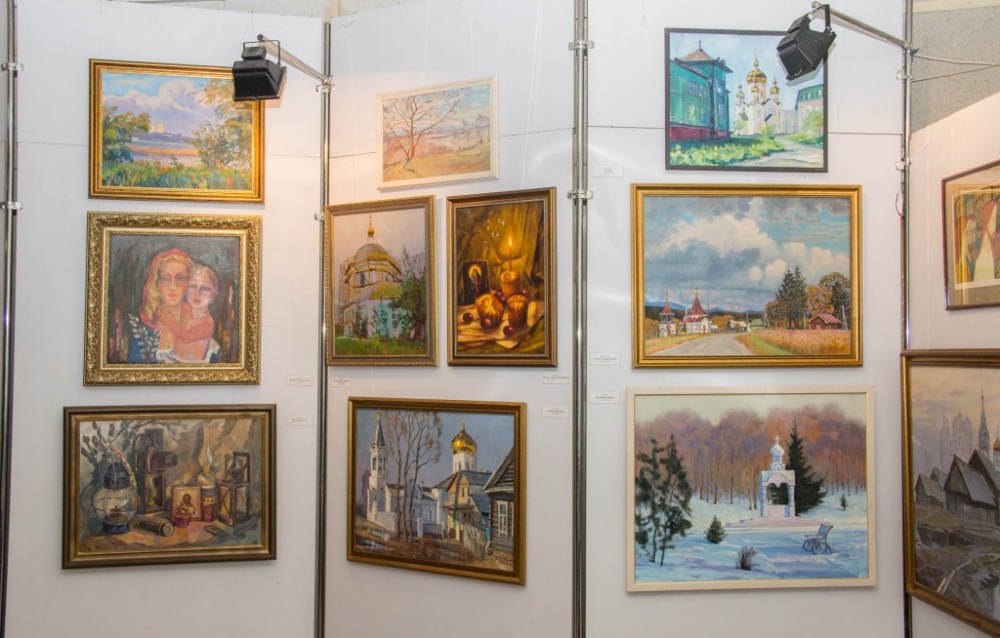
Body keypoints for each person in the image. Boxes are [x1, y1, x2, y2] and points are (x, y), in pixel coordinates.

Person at [127, 248, 194, 363]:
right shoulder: (142, 333)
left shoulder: (198, 328)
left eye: (180, 279)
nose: (172, 286)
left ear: (189, 283)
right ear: (157, 284)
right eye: (165, 278)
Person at [155, 264, 221, 362]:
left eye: (205, 288)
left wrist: (169, 320)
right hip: (174, 358)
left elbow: (186, 337)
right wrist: (162, 312)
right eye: (193, 286)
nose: (197, 293)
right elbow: (167, 309)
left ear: (213, 297)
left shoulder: (208, 322)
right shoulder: (184, 308)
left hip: (194, 365)